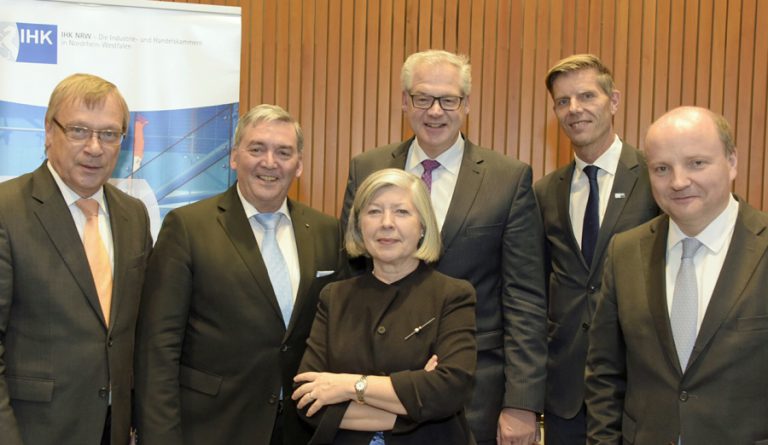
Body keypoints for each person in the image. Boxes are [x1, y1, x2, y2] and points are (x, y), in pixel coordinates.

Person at [340, 49, 547, 445]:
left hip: (475, 390)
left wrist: (521, 402)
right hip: (380, 388)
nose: (435, 111)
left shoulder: (508, 179)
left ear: (466, 104)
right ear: (405, 101)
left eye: (448, 100)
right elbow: (351, 275)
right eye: (423, 98)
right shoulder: (367, 168)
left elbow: (524, 297)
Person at [134, 104, 344, 445]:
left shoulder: (327, 231)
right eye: (256, 149)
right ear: (234, 157)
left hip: (300, 430)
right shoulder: (187, 227)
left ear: (299, 165)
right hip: (212, 427)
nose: (269, 162)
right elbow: (158, 347)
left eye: (283, 152)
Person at [585, 106, 768, 444]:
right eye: (662, 168)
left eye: (696, 163)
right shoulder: (625, 252)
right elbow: (605, 376)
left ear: (732, 161)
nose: (679, 182)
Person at [0, 73, 152, 445]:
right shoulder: (7, 210)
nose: (95, 147)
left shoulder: (134, 215)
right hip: (34, 430)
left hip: (115, 429)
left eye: (109, 134)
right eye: (79, 130)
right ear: (49, 132)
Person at [294, 168, 477, 444]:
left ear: (423, 226)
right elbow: (308, 400)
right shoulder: (334, 297)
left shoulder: (452, 295)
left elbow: (449, 391)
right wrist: (416, 405)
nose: (386, 223)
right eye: (374, 211)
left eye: (401, 212)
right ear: (359, 226)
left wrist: (348, 386)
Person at [534, 54, 658, 444]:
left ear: (614, 101)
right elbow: (535, 290)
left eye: (587, 96)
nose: (575, 109)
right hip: (565, 394)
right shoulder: (544, 192)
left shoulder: (655, 178)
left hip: (638, 387)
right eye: (563, 101)